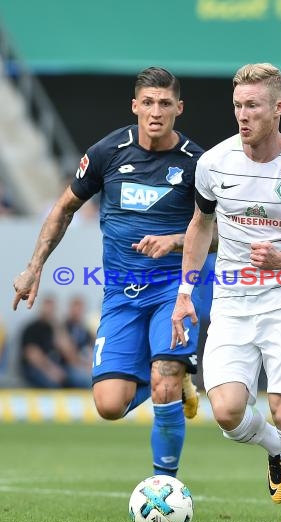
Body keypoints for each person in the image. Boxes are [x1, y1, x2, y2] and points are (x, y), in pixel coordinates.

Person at [13, 67, 205, 477]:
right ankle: (174, 384)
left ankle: (165, 486)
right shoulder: (108, 152)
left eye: (165, 103)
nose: (156, 112)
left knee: (164, 378)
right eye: (149, 103)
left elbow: (220, 234)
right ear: (135, 105)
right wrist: (34, 267)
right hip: (121, 295)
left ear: (179, 108)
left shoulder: (197, 164)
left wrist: (174, 240)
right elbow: (65, 207)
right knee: (109, 405)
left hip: (174, 290)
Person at [171, 63, 281, 522]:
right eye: (238, 105)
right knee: (228, 412)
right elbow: (200, 225)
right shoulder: (214, 163)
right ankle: (276, 451)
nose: (243, 115)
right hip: (233, 303)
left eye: (253, 106)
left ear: (278, 108)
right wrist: (184, 293)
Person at [19, 295, 92, 389]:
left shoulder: (56, 328)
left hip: (57, 368)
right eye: (47, 307)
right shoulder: (32, 328)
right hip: (36, 369)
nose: (49, 311)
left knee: (82, 379)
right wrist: (50, 369)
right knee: (55, 383)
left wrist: (57, 327)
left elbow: (69, 352)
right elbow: (32, 355)